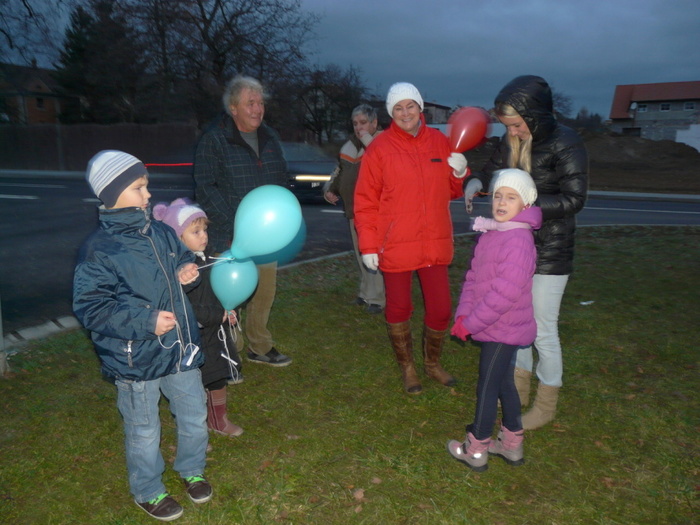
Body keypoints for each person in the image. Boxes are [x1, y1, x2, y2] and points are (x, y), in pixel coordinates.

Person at [73, 150, 212, 521]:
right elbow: (92, 308)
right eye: (139, 187)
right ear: (112, 193)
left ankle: (192, 468)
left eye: (146, 186)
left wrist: (184, 269)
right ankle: (148, 489)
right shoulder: (100, 250)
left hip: (179, 348)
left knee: (193, 413)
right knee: (144, 429)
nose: (148, 194)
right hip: (136, 358)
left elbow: (181, 256)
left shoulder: (161, 232)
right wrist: (146, 321)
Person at [462, 75, 589, 429]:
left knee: (543, 328)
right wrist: (475, 182)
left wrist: (526, 208)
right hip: (511, 247)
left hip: (550, 249)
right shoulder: (510, 139)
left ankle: (546, 404)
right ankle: (516, 392)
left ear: (535, 117)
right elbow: (492, 171)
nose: (513, 132)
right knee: (515, 323)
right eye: (507, 126)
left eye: (517, 125)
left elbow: (574, 199)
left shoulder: (566, 142)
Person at [354, 82, 469, 394]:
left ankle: (432, 363)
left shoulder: (439, 142)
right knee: (399, 308)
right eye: (398, 108)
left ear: (420, 108)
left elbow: (450, 191)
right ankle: (407, 367)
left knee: (441, 309)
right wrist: (368, 245)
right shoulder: (379, 148)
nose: (405, 113)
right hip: (396, 242)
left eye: (410, 106)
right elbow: (365, 201)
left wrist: (459, 174)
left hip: (434, 240)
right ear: (391, 112)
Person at [447, 169, 542, 472]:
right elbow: (474, 278)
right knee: (503, 383)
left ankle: (476, 449)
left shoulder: (518, 240)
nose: (502, 202)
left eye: (511, 197)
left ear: (525, 204)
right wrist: (464, 314)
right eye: (498, 196)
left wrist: (471, 324)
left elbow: (505, 294)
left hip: (504, 327)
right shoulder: (493, 233)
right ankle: (512, 446)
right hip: (490, 323)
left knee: (487, 386)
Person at [194, 75, 291, 367]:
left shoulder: (270, 138)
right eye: (251, 103)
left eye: (260, 103)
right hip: (230, 236)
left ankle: (260, 345)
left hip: (265, 234)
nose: (258, 109)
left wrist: (279, 217)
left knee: (264, 291)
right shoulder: (215, 140)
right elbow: (205, 187)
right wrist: (234, 225)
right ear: (233, 108)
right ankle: (229, 349)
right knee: (230, 293)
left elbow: (280, 179)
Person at [154, 198, 244, 438]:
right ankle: (196, 429)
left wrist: (230, 309)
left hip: (215, 332)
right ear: (177, 237)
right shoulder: (180, 270)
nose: (203, 236)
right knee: (196, 383)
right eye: (196, 231)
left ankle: (218, 420)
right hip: (193, 337)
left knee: (217, 377)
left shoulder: (208, 259)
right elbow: (187, 308)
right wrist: (218, 315)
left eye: (204, 229)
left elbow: (224, 289)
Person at [323, 104, 385, 314]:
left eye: (363, 123)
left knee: (373, 254)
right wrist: (329, 189)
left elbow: (383, 163)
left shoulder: (384, 142)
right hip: (353, 209)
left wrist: (368, 141)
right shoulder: (349, 146)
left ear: (374, 123)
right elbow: (339, 172)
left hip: (375, 210)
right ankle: (366, 293)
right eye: (355, 123)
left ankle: (378, 299)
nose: (359, 128)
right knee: (361, 254)